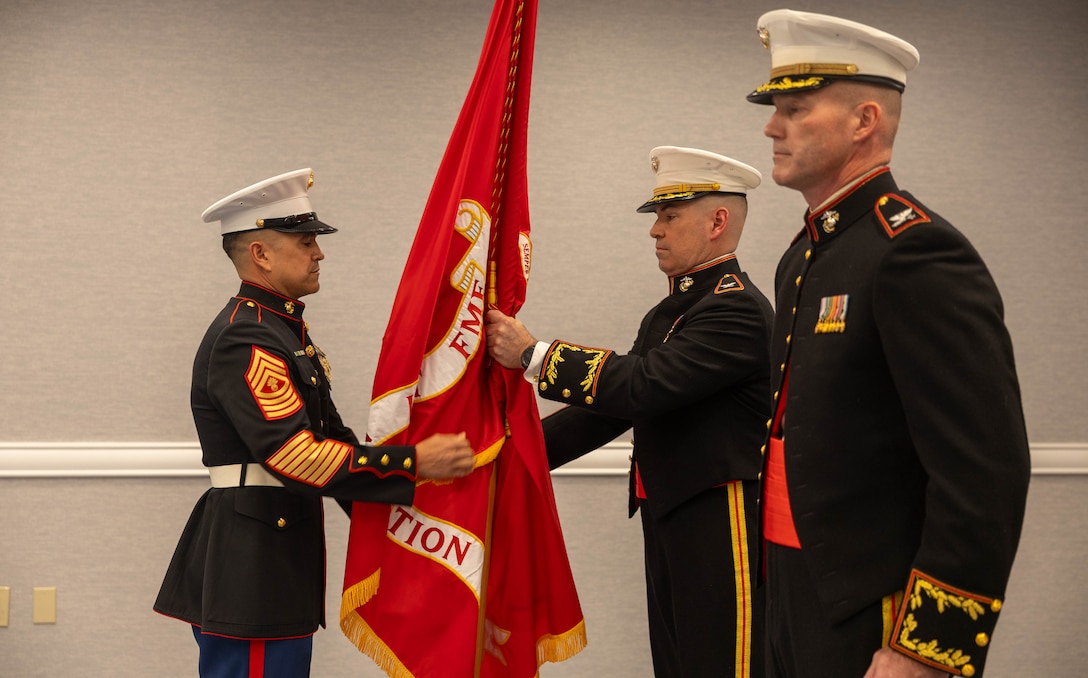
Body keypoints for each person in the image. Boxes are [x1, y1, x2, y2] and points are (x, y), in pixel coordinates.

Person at [746, 10, 1031, 678]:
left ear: (864, 120)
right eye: (774, 109)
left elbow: (983, 470)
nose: (771, 126)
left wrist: (928, 650)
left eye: (795, 108)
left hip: (873, 606)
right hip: (794, 582)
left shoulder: (913, 251)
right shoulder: (806, 254)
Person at [153, 168, 476, 678]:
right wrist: (413, 462)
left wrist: (409, 518)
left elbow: (332, 435)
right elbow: (295, 454)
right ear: (260, 253)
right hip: (253, 562)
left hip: (275, 550)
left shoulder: (280, 329)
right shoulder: (248, 338)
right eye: (305, 242)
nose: (319, 253)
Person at [485, 146, 772, 678]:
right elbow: (609, 411)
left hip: (717, 515)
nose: (655, 231)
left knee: (721, 663)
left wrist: (534, 355)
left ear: (717, 221)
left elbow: (643, 385)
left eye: (670, 216)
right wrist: (508, 456)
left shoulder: (737, 310)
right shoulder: (674, 309)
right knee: (677, 661)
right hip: (672, 510)